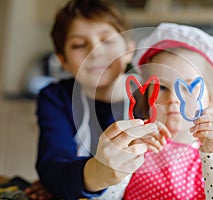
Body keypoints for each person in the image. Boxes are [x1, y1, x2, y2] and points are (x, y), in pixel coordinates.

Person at [27, 0, 170, 199]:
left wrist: (68, 183)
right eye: (78, 45)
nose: (95, 52)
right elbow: (53, 168)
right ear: (62, 60)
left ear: (129, 48)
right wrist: (96, 174)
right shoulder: (56, 98)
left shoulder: (155, 95)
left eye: (107, 40)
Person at [122, 23, 213, 199]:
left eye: (187, 88)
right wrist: (122, 161)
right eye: (162, 88)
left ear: (211, 96)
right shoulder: (136, 145)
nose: (173, 98)